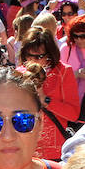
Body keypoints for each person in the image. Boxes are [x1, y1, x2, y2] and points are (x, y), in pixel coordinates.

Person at [18, 27, 78, 161]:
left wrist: (46, 100)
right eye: (29, 55)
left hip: (55, 152)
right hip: (26, 149)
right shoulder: (18, 74)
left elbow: (73, 114)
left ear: (49, 54)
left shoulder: (63, 72)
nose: (33, 61)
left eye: (39, 56)